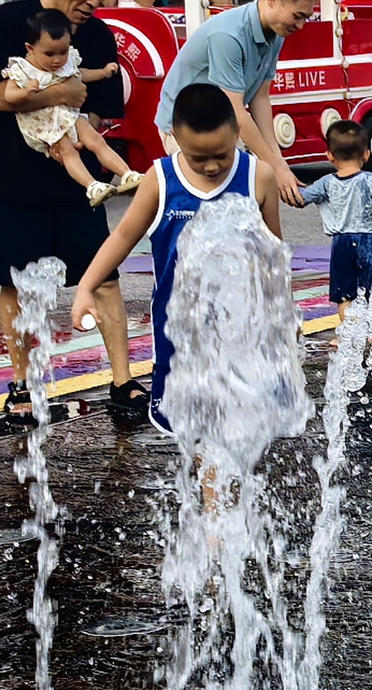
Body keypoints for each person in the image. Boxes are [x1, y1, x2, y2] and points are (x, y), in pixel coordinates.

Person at [69, 82, 284, 434]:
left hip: (243, 328)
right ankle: (213, 488)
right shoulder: (162, 180)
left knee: (241, 428)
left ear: (236, 133)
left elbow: (273, 252)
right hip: (180, 335)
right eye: (199, 158)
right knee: (199, 433)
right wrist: (86, 288)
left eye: (222, 154)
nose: (213, 166)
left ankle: (223, 488)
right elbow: (122, 237)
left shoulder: (257, 177)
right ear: (175, 139)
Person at [0, 0, 140, 426]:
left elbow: (95, 103)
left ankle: (123, 380)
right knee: (13, 286)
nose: (95, 6)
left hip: (79, 186)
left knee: (105, 278)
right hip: (13, 182)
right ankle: (22, 387)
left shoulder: (97, 34)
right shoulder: (8, 20)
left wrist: (76, 129)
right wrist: (60, 93)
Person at [156, 0, 316, 207]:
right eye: (297, 16)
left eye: (305, 18)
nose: (301, 26)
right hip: (186, 127)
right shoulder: (228, 35)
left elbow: (260, 98)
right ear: (273, 1)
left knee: (244, 196)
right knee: (220, 203)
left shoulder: (277, 34)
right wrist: (275, 168)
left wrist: (278, 160)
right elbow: (237, 111)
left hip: (222, 122)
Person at [3, 8, 140, 205]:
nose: (57, 60)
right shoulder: (22, 69)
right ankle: (92, 186)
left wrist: (103, 72)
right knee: (67, 151)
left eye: (63, 52)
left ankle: (127, 174)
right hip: (44, 125)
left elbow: (80, 73)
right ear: (30, 49)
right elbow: (9, 95)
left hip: (68, 116)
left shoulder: (66, 62)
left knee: (95, 139)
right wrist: (26, 93)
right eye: (49, 54)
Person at [301, 119, 372, 332]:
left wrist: (285, 187)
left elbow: (302, 198)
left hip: (341, 243)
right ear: (366, 154)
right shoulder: (371, 179)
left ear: (330, 156)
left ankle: (350, 335)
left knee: (344, 294)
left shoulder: (326, 182)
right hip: (367, 242)